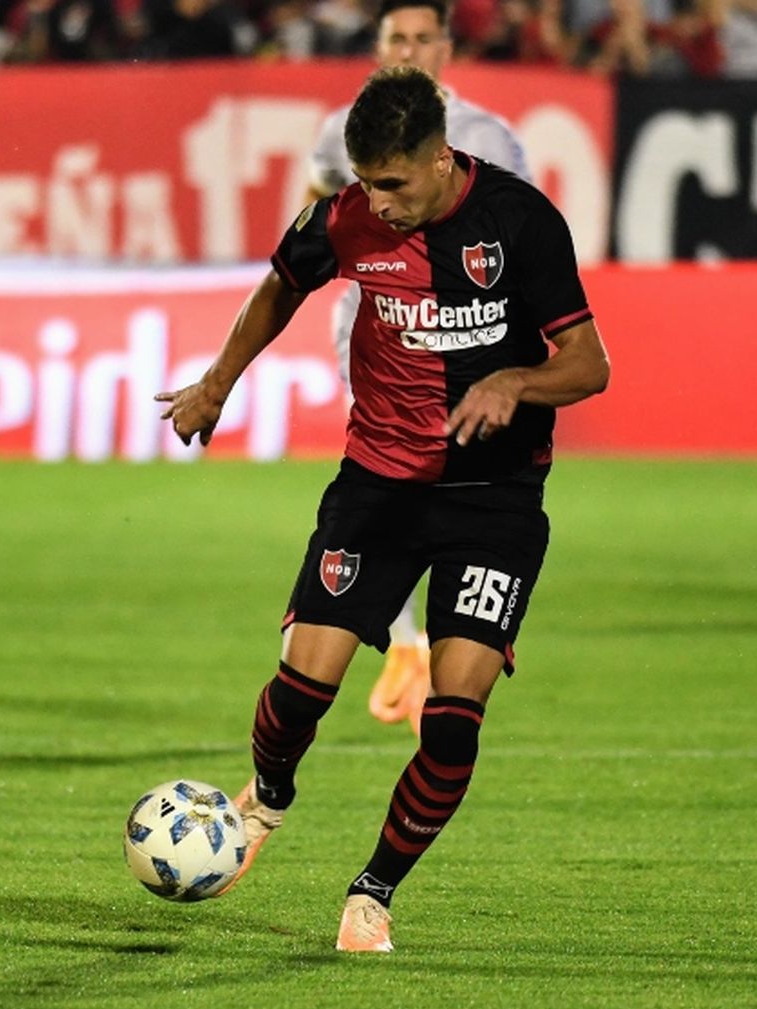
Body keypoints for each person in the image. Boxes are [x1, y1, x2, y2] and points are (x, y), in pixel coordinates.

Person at [157, 66, 609, 952]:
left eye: (394, 183)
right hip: (379, 487)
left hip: (496, 501)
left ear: (441, 159)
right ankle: (268, 801)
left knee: (451, 718)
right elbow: (281, 284)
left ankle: (373, 893)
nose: (380, 203)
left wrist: (516, 380)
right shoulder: (347, 216)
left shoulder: (521, 222)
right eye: (366, 181)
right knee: (301, 688)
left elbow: (589, 365)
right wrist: (217, 383)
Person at [306, 0, 532, 737]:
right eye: (393, 38)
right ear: (378, 45)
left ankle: (460, 626)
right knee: (389, 469)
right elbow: (316, 222)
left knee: (466, 485)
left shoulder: (488, 137)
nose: (406, 49)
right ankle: (407, 643)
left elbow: (521, 238)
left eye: (419, 38)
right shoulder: (344, 131)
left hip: (468, 337)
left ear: (446, 46)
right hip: (377, 330)